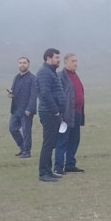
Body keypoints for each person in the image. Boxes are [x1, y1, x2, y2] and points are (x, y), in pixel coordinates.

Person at [35, 47, 66, 182]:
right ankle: (43, 173)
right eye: (57, 57)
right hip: (48, 112)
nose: (59, 60)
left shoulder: (52, 72)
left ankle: (49, 170)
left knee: (52, 142)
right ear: (48, 58)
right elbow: (45, 94)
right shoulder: (44, 73)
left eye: (59, 57)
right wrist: (55, 110)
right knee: (48, 143)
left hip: (53, 112)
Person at [54, 53, 85, 174]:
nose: (75, 63)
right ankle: (58, 166)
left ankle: (70, 164)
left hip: (77, 113)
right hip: (66, 114)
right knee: (62, 140)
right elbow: (57, 95)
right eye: (73, 61)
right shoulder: (61, 76)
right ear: (65, 62)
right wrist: (59, 113)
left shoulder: (75, 75)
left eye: (76, 61)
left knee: (74, 139)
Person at [8, 56, 36, 158]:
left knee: (26, 131)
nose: (22, 64)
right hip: (16, 109)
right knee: (12, 129)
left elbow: (34, 95)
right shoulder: (16, 77)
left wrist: (30, 109)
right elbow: (14, 91)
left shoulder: (32, 78)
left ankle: (27, 152)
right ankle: (22, 147)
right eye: (20, 63)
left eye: (24, 63)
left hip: (26, 110)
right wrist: (11, 94)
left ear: (28, 64)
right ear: (17, 65)